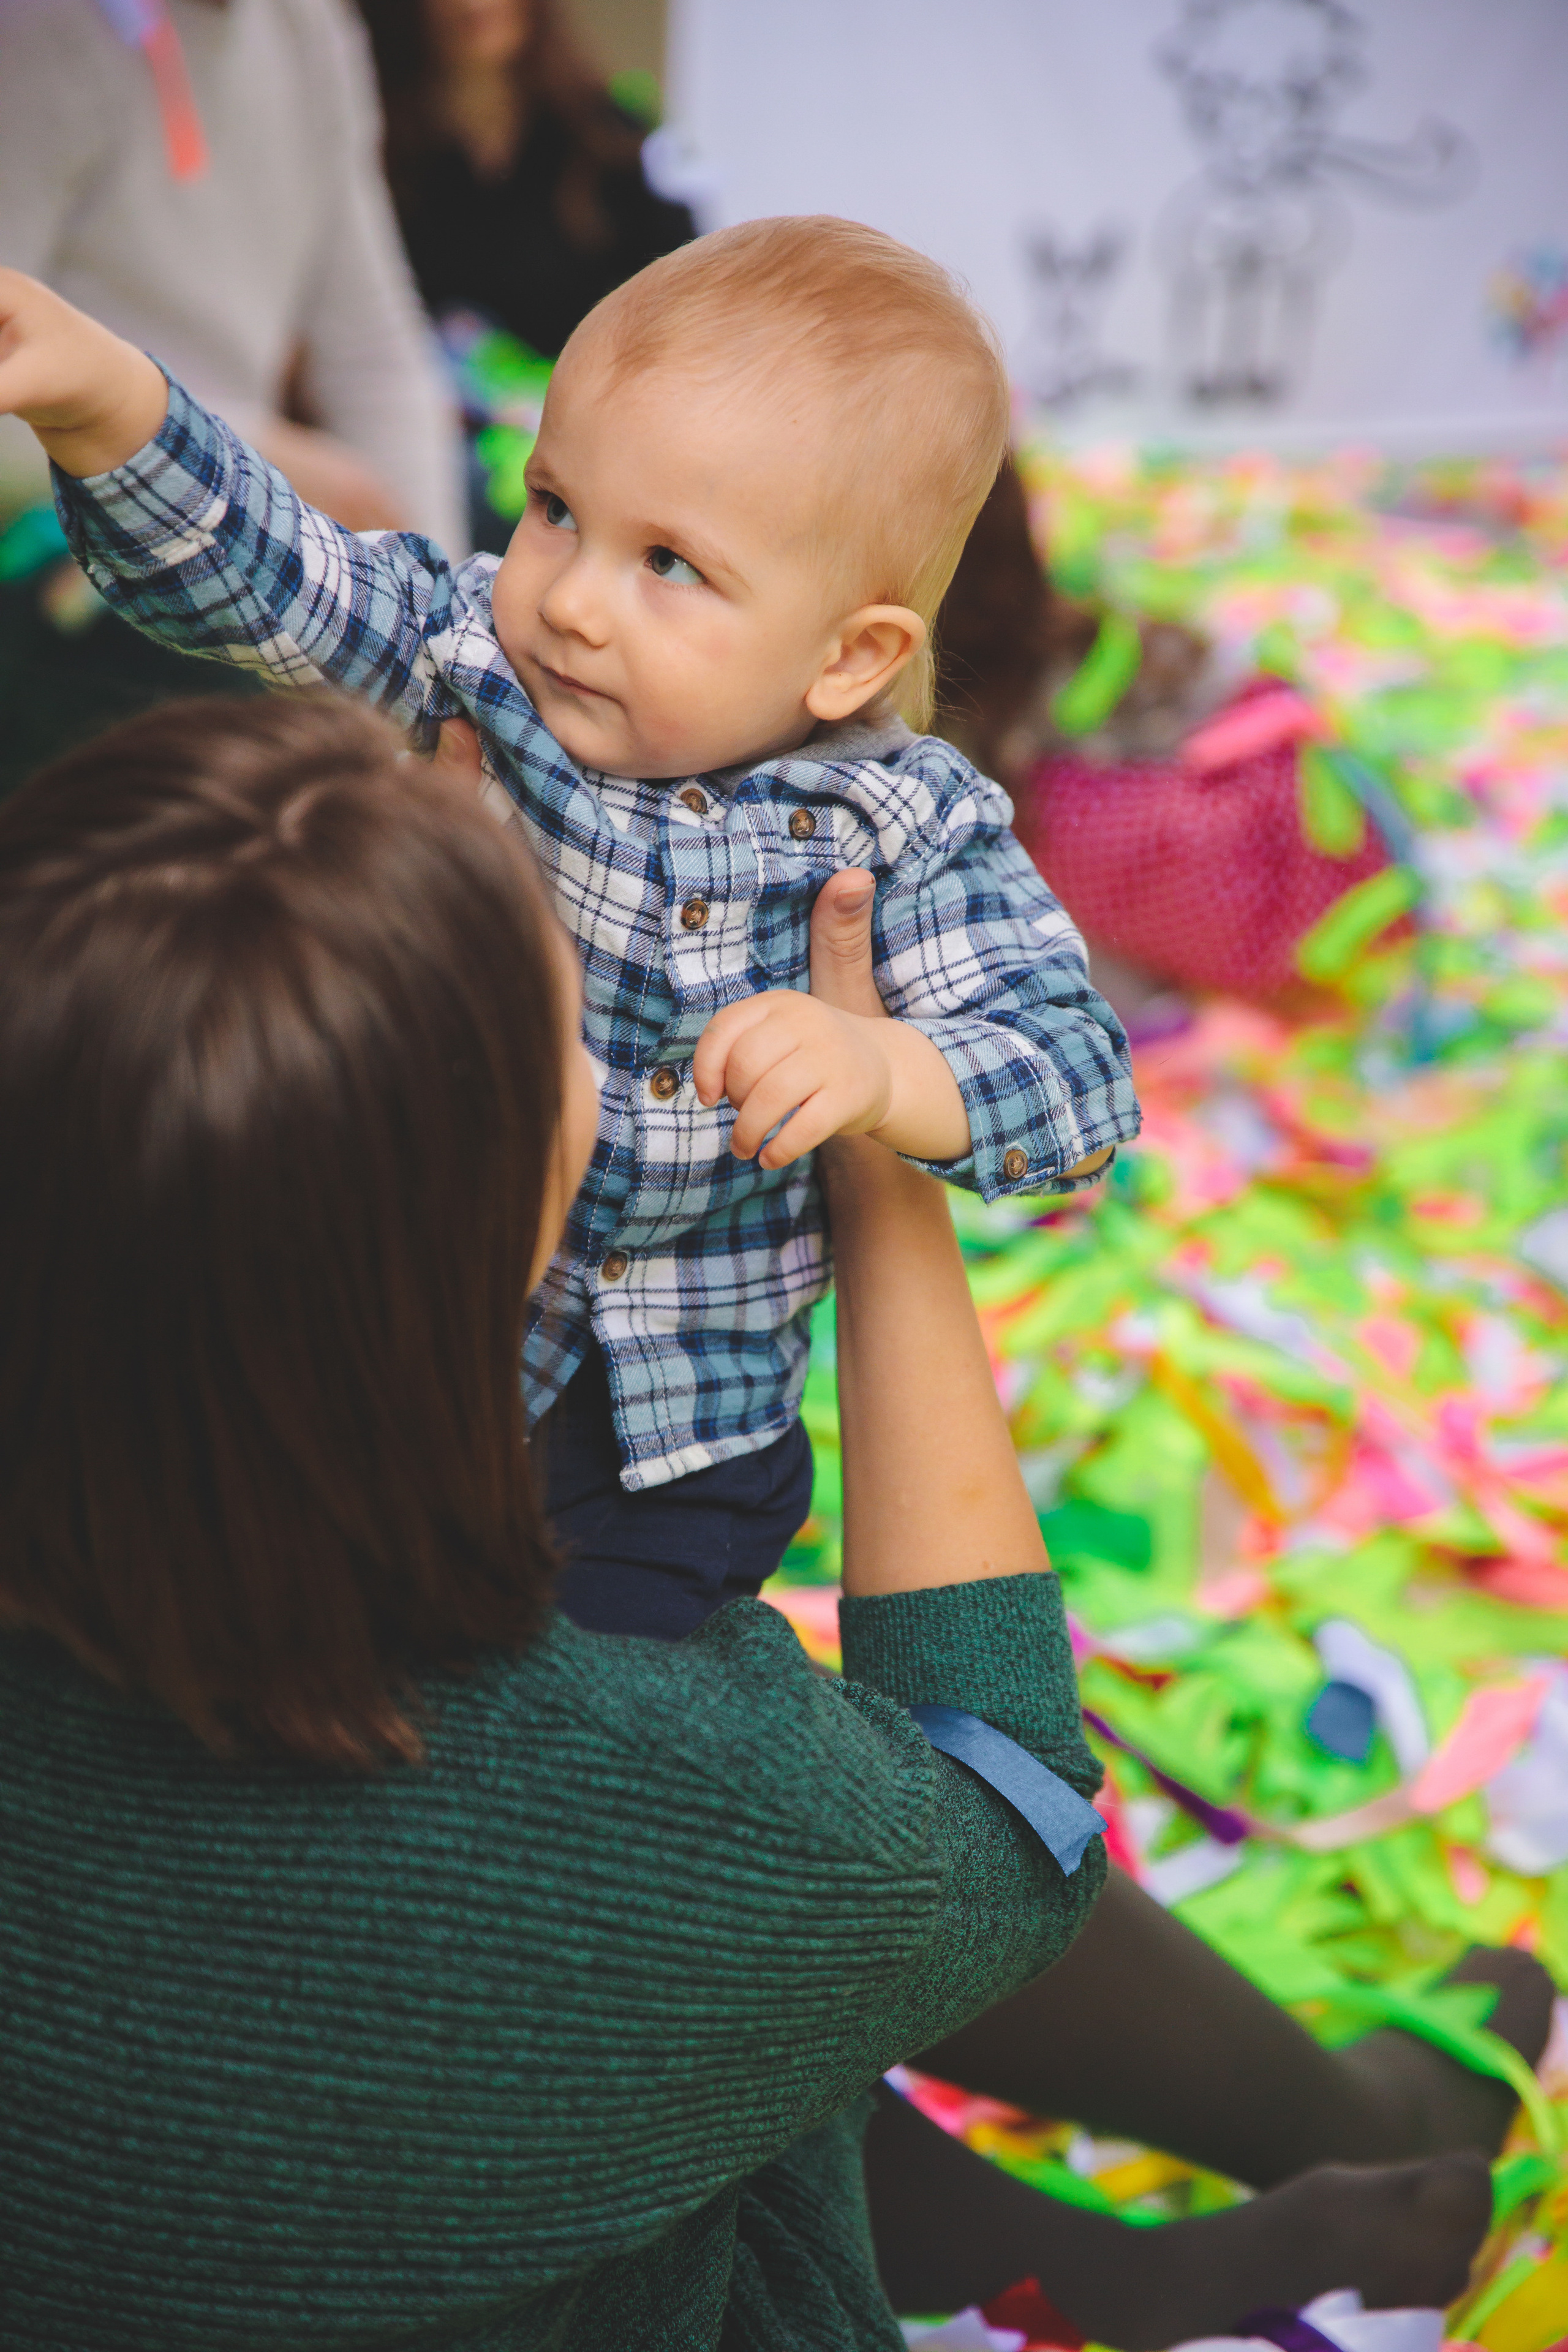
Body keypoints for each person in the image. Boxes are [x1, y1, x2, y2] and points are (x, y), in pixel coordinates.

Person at [0, 691, 1501, 2348]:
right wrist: (884, 1160)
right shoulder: (666, 1800)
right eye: (564, 1031)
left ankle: (1139, 2258)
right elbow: (1008, 1823)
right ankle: (1342, 2147)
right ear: (481, 1235)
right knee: (727, 1956)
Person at [0, 221, 1139, 1645]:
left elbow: (1073, 1079)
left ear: (852, 655)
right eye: (553, 507)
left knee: (609, 1696)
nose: (571, 599)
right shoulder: (485, 662)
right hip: (421, 1340)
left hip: (678, 1445)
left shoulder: (902, 822)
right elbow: (278, 577)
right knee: (354, 1640)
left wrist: (882, 1070)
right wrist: (110, 406)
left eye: (668, 562)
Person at [0, 0, 466, 793]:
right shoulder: (41, 31)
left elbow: (375, 354)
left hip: (233, 517)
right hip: (55, 545)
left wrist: (440, 666)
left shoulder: (310, 32)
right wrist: (254, 452)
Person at [361, 0, 696, 364]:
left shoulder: (610, 137)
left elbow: (686, 289)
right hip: (422, 408)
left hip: (582, 405)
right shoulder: (373, 142)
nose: (475, 6)